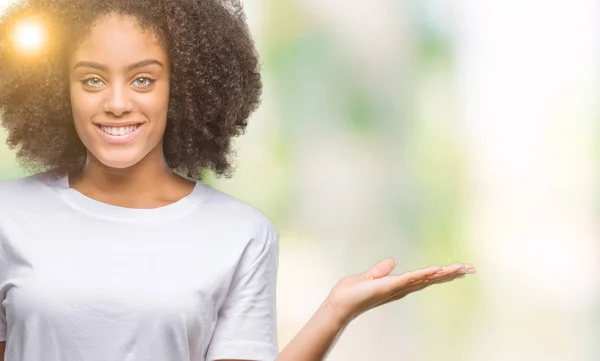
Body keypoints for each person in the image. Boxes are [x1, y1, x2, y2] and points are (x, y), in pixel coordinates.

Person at [0, 0, 475, 360]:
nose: (118, 102)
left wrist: (336, 311)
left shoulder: (239, 234)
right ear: (58, 89)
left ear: (183, 86)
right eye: (93, 80)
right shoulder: (9, 214)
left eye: (144, 79)